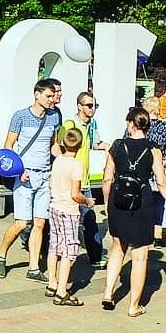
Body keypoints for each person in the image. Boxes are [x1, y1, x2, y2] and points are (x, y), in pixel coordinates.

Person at [99, 107, 166, 317]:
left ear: (131, 124)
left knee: (118, 247)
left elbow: (107, 178)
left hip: (118, 200)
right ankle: (133, 306)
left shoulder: (117, 146)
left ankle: (108, 293)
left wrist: (107, 202)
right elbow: (161, 182)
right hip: (142, 201)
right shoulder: (153, 150)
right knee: (140, 255)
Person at [0, 79, 61, 281]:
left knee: (40, 223)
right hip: (25, 175)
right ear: (37, 94)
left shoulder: (54, 117)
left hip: (45, 175)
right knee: (22, 223)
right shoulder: (20, 116)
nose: (52, 99)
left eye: (53, 96)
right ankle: (1, 254)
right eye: (48, 96)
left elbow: (53, 145)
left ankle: (33, 268)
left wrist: (65, 159)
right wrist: (18, 170)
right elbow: (8, 146)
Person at [59, 91, 108, 268]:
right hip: (70, 181)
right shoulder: (69, 125)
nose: (92, 109)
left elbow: (94, 144)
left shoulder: (91, 125)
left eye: (95, 105)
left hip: (84, 181)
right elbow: (59, 147)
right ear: (79, 106)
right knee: (66, 219)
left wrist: (106, 146)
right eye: (89, 105)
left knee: (88, 219)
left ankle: (95, 256)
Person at [45, 127, 93, 306]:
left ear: (63, 144)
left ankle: (52, 283)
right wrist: (87, 201)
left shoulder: (58, 160)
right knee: (69, 250)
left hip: (54, 207)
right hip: (69, 210)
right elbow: (75, 194)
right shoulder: (76, 165)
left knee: (54, 245)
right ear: (80, 146)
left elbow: (51, 183)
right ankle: (62, 291)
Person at [141, 96, 166, 245]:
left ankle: (143, 232)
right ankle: (157, 236)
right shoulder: (165, 128)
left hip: (142, 167)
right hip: (161, 167)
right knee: (159, 202)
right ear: (158, 109)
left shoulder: (139, 125)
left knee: (143, 201)